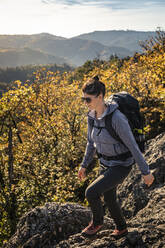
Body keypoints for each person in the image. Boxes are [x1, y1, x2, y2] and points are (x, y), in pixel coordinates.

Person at [78, 76, 154, 239]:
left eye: (88, 99)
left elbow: (133, 146)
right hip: (104, 163)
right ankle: (121, 228)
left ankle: (97, 222)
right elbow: (90, 143)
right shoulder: (91, 116)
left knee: (91, 192)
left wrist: (145, 171)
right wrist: (84, 165)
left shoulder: (117, 118)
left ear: (100, 96)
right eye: (83, 99)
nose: (85, 103)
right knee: (109, 197)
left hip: (121, 165)